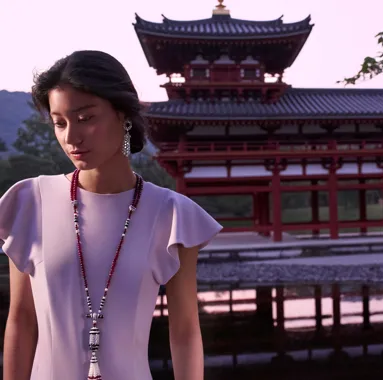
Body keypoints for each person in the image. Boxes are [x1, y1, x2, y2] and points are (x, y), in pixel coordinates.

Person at [0, 50, 223, 380]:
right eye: (60, 123)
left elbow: (185, 331)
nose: (71, 137)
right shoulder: (30, 202)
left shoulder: (172, 215)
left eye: (85, 118)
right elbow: (21, 320)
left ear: (123, 115)